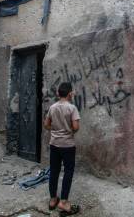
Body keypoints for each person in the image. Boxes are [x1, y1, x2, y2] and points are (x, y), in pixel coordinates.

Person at [44, 82, 81, 216]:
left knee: (54, 171)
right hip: (68, 145)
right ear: (70, 93)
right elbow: (76, 127)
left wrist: (55, 130)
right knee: (68, 171)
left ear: (58, 94)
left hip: (54, 144)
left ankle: (53, 200)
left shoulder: (52, 107)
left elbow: (46, 124)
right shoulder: (72, 108)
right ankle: (64, 202)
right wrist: (67, 131)